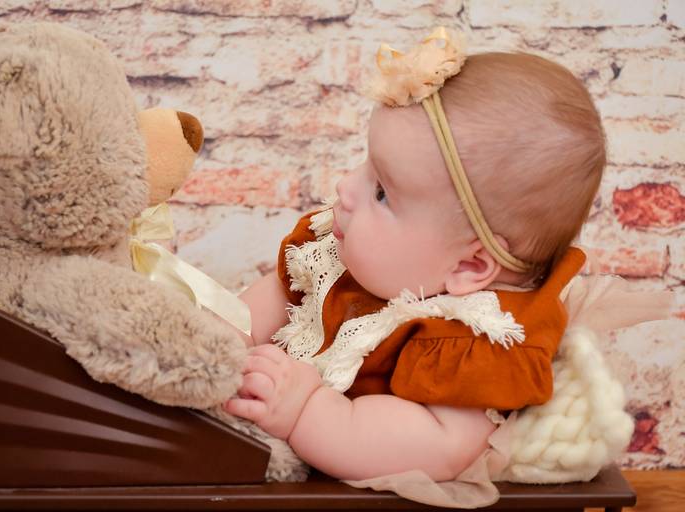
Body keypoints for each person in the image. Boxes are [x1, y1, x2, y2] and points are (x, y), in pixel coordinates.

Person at [224, 29, 606, 502]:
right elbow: (275, 299)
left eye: (382, 192)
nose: (345, 187)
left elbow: (438, 447)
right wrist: (220, 338)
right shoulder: (356, 255)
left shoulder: (472, 343)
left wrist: (306, 410)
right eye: (366, 165)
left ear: (469, 266)